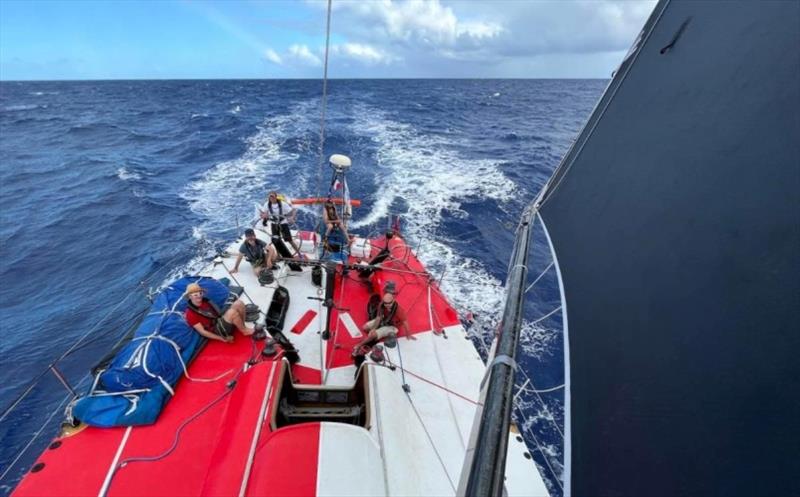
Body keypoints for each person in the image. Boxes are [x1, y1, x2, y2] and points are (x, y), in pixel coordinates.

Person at [184, 282, 255, 342]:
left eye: (200, 293)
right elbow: (202, 332)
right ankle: (245, 331)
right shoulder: (190, 313)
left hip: (219, 320)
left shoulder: (205, 301)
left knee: (238, 303)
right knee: (232, 312)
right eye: (195, 295)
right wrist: (222, 339)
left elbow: (217, 314)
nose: (199, 296)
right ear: (190, 296)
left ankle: (243, 327)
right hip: (216, 330)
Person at [353, 289, 416, 355]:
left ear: (393, 301)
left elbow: (405, 322)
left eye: (389, 303)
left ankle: (359, 345)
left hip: (393, 326)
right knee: (365, 327)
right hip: (384, 320)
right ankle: (373, 337)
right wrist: (373, 328)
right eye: (385, 303)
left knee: (372, 335)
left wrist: (408, 335)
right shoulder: (381, 305)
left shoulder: (399, 310)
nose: (387, 305)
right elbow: (378, 318)